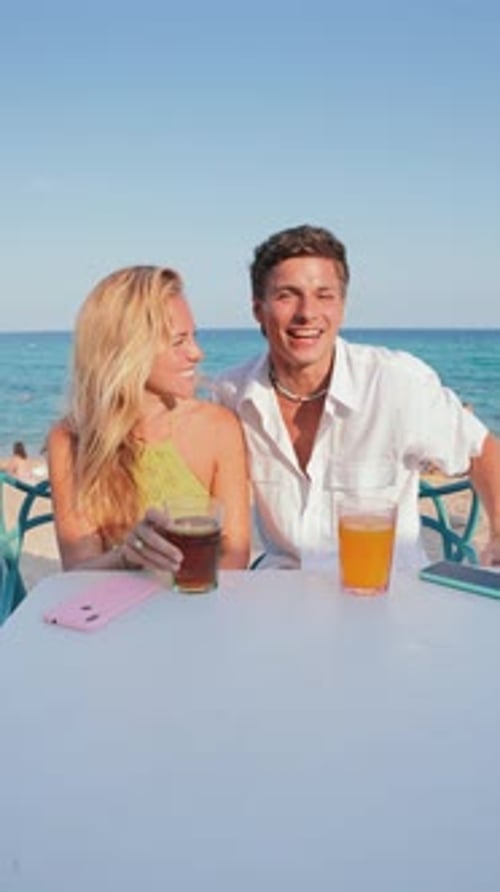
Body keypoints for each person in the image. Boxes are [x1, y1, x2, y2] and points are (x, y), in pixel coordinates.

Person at [214, 224, 500, 569]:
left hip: (389, 600)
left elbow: (479, 450)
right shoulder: (231, 394)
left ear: (342, 306)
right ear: (258, 309)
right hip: (282, 601)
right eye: (286, 295)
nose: (307, 313)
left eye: (324, 295)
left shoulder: (395, 382)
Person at [48, 265, 250, 573]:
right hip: (115, 614)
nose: (197, 353)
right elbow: (78, 572)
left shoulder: (218, 428)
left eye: (193, 337)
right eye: (178, 341)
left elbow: (234, 559)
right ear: (127, 350)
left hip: (199, 609)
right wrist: (127, 556)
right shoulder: (72, 440)